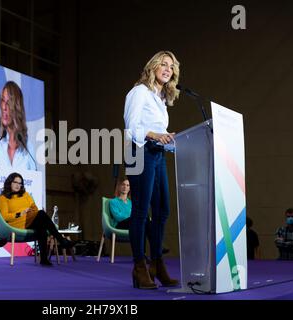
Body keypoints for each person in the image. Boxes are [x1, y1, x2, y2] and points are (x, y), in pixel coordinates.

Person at [123, 51, 180, 289]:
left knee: (162, 210)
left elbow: (156, 128)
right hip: (139, 152)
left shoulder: (160, 98)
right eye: (164, 65)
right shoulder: (139, 93)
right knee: (140, 211)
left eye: (172, 67)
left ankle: (157, 263)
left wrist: (169, 139)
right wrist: (156, 134)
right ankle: (139, 266)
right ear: (153, 67)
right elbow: (131, 127)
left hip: (156, 154)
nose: (168, 69)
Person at [0, 172, 74, 266]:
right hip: (16, 224)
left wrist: (30, 212)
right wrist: (20, 213)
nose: (18, 185)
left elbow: (34, 208)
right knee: (41, 215)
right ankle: (61, 241)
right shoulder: (3, 198)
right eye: (15, 182)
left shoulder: (25, 194)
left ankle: (44, 259)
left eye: (20, 183)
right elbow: (5, 217)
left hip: (30, 220)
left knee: (41, 225)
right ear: (9, 182)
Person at [0, 81, 36, 170]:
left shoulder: (28, 146)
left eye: (9, 103)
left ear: (17, 108)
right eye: (3, 101)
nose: (4, 107)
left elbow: (34, 180)